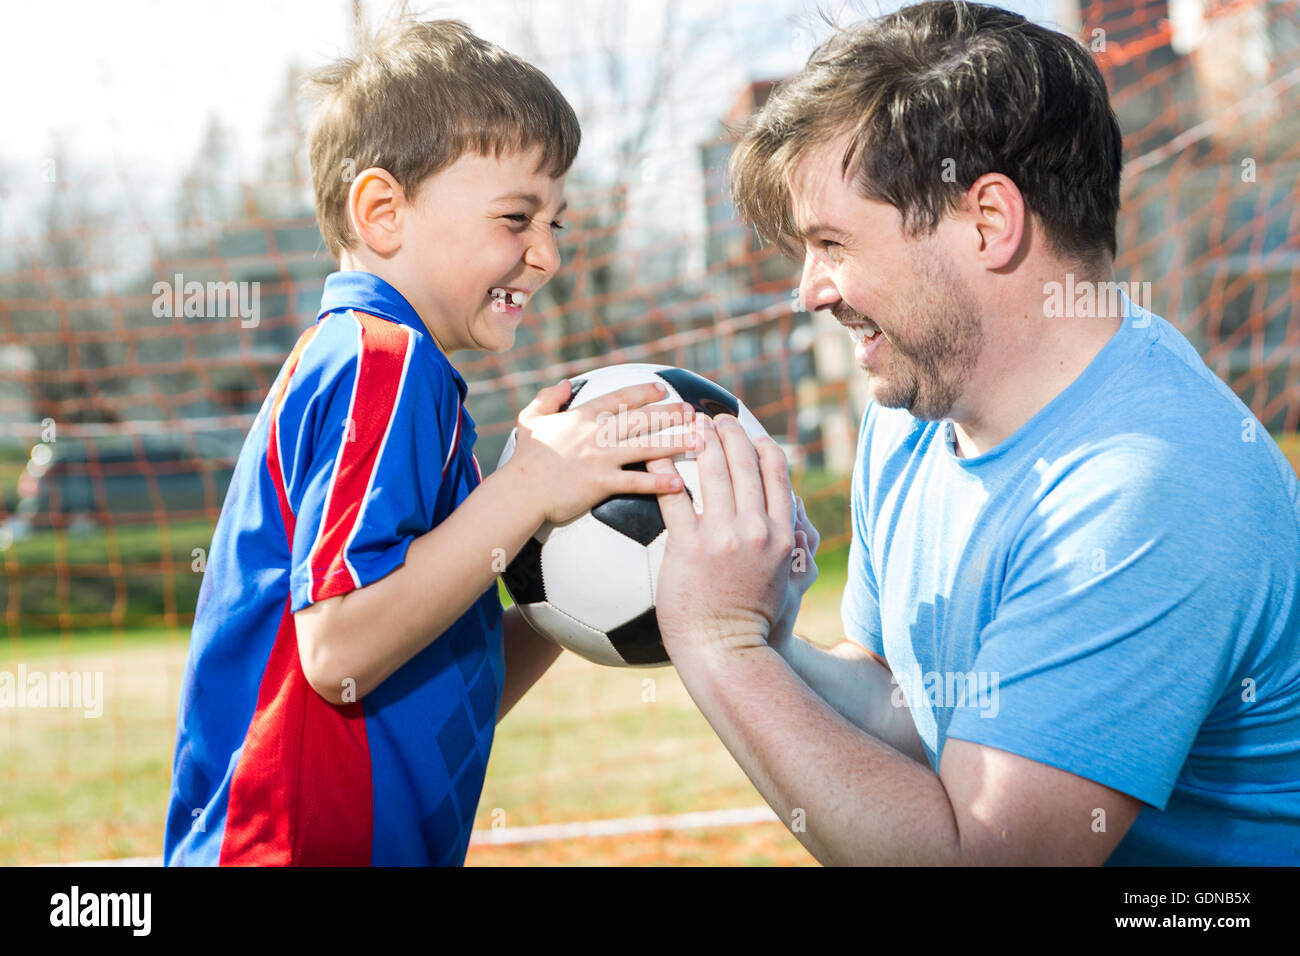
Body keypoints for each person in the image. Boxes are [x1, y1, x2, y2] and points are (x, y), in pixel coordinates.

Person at [646, 0, 1300, 865]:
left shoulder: (1145, 490)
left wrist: (721, 645)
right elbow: (908, 709)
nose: (810, 289)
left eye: (833, 242)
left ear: (989, 220)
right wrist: (766, 633)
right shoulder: (918, 413)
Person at [164, 18, 694, 866]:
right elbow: (339, 650)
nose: (546, 254)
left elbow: (432, 681)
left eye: (556, 223)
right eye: (516, 216)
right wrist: (526, 489)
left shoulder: (406, 377)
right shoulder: (380, 360)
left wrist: (575, 594)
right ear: (382, 212)